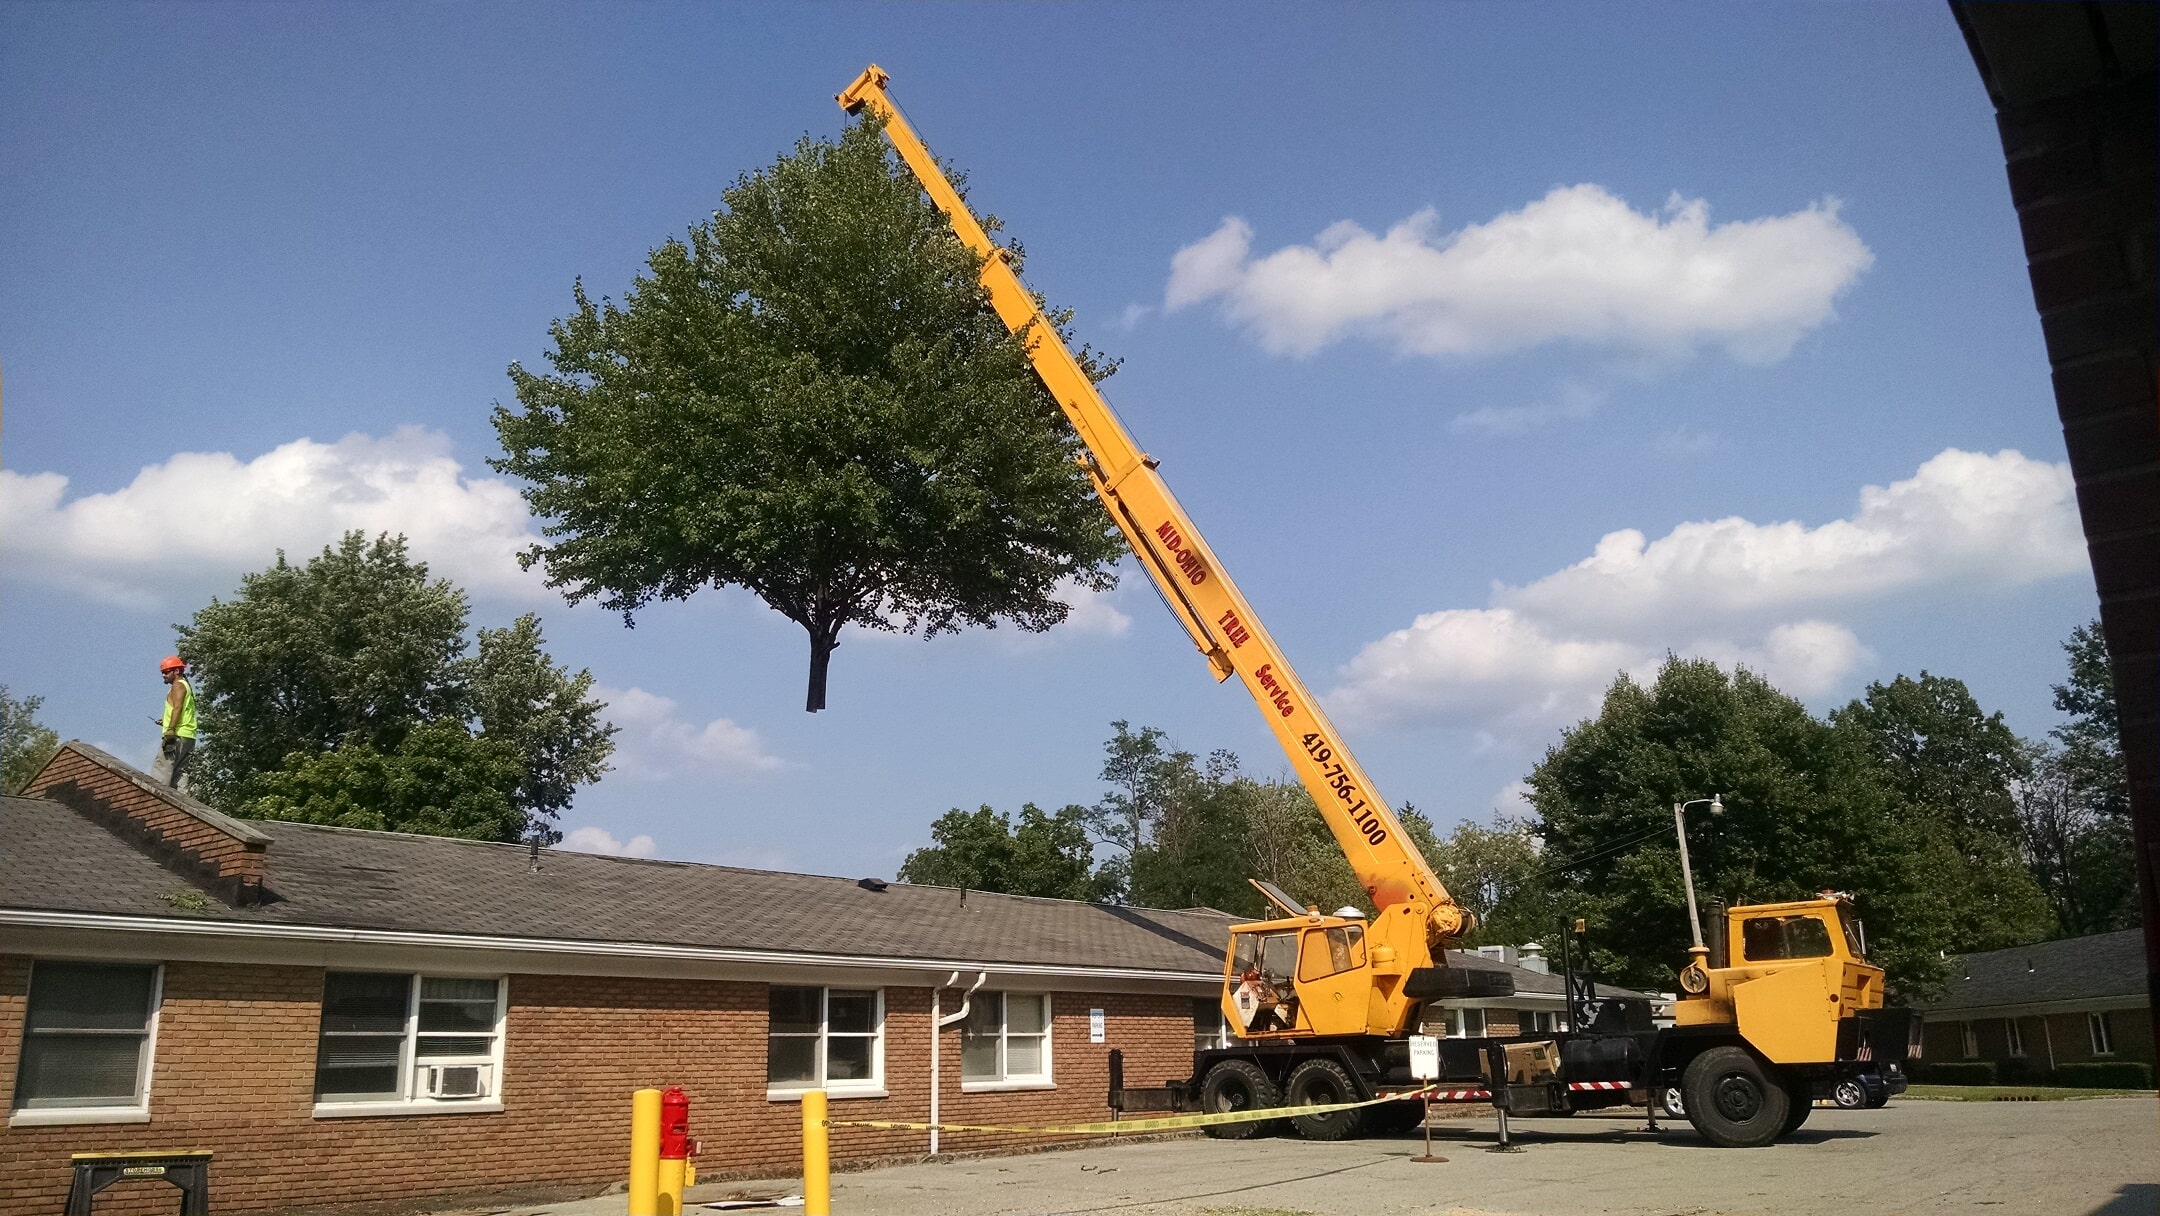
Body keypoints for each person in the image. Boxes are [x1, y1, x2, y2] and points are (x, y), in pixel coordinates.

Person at [158, 655, 198, 790]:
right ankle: (180, 803)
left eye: (167, 672)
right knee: (181, 773)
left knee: (162, 770)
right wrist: (166, 721)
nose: (164, 675)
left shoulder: (178, 686)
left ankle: (157, 802)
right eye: (163, 672)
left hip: (176, 735)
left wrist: (170, 729)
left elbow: (178, 707)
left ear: (176, 671)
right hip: (188, 735)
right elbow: (183, 710)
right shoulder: (186, 686)